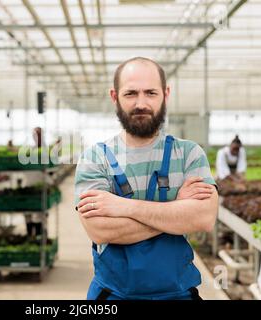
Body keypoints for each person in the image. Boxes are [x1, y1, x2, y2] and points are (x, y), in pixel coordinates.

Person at [74, 57, 219, 300]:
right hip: (113, 295)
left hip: (178, 294)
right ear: (114, 96)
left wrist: (123, 206)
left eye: (150, 93)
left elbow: (203, 218)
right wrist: (176, 212)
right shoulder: (95, 158)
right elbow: (100, 230)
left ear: (165, 94)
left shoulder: (189, 154)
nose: (141, 103)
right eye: (131, 93)